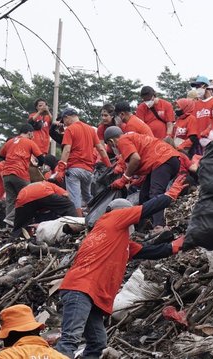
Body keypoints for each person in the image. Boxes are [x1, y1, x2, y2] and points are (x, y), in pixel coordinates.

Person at [55, 178, 187, 359]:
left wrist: (177, 245)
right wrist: (170, 195)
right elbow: (146, 208)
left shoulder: (117, 240)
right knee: (69, 341)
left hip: (90, 294)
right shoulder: (112, 218)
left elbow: (151, 251)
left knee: (97, 344)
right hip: (82, 289)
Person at [104, 127, 181, 232]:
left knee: (156, 193)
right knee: (144, 195)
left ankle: (159, 226)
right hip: (166, 160)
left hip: (163, 160)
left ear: (111, 141)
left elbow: (135, 159)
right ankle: (143, 226)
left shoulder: (122, 140)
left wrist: (124, 179)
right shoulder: (132, 137)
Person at [53, 108, 111, 217]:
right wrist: (109, 166)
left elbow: (67, 150)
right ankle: (96, 216)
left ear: (67, 117)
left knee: (75, 197)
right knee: (87, 196)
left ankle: (78, 222)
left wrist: (60, 169)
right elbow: (102, 149)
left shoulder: (70, 130)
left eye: (63, 121)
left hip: (74, 169)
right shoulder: (90, 129)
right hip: (88, 171)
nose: (64, 124)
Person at [0, 124, 44, 226]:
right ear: (29, 132)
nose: (33, 136)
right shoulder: (29, 142)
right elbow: (41, 159)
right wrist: (37, 165)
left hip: (6, 174)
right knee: (27, 198)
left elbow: (1, 155)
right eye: (32, 134)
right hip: (20, 174)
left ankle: (9, 225)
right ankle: (13, 219)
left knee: (11, 200)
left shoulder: (10, 141)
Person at [0, 304, 68, 359]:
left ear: (11, 335)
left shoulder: (6, 356)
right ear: (36, 330)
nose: (4, 342)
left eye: (4, 337)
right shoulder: (60, 357)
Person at [12, 181, 77, 236]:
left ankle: (13, 239)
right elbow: (66, 195)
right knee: (69, 206)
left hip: (22, 199)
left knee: (19, 227)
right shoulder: (53, 186)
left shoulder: (39, 184)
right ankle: (75, 230)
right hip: (43, 192)